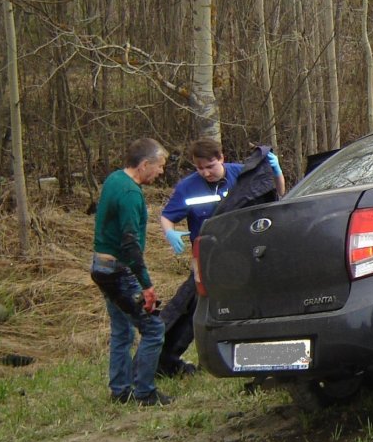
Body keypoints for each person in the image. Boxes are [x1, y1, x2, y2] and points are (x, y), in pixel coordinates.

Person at [156, 139, 285, 377]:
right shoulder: (188, 187)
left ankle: (259, 360)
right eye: (200, 168)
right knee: (194, 308)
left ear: (222, 158)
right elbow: (167, 217)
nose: (206, 172)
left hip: (244, 256)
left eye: (211, 166)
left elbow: (278, 194)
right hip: (207, 258)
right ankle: (171, 359)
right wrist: (170, 232)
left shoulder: (243, 176)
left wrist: (276, 172)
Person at [90, 138, 171, 406]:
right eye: (159, 166)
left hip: (101, 267)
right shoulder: (130, 194)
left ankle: (121, 390)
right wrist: (146, 285)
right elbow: (130, 243)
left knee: (122, 330)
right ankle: (145, 392)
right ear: (145, 164)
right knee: (154, 327)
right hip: (119, 272)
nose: (161, 172)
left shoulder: (114, 178)